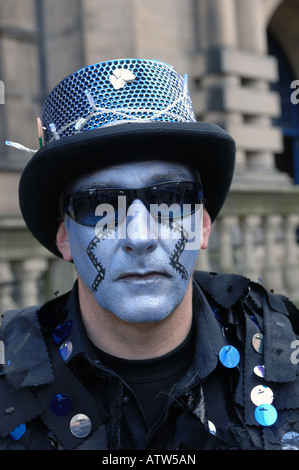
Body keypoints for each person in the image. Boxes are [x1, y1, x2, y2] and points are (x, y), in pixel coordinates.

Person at [1, 58, 299, 451]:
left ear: (204, 227)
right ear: (65, 240)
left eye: (170, 197)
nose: (139, 236)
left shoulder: (286, 348)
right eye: (100, 203)